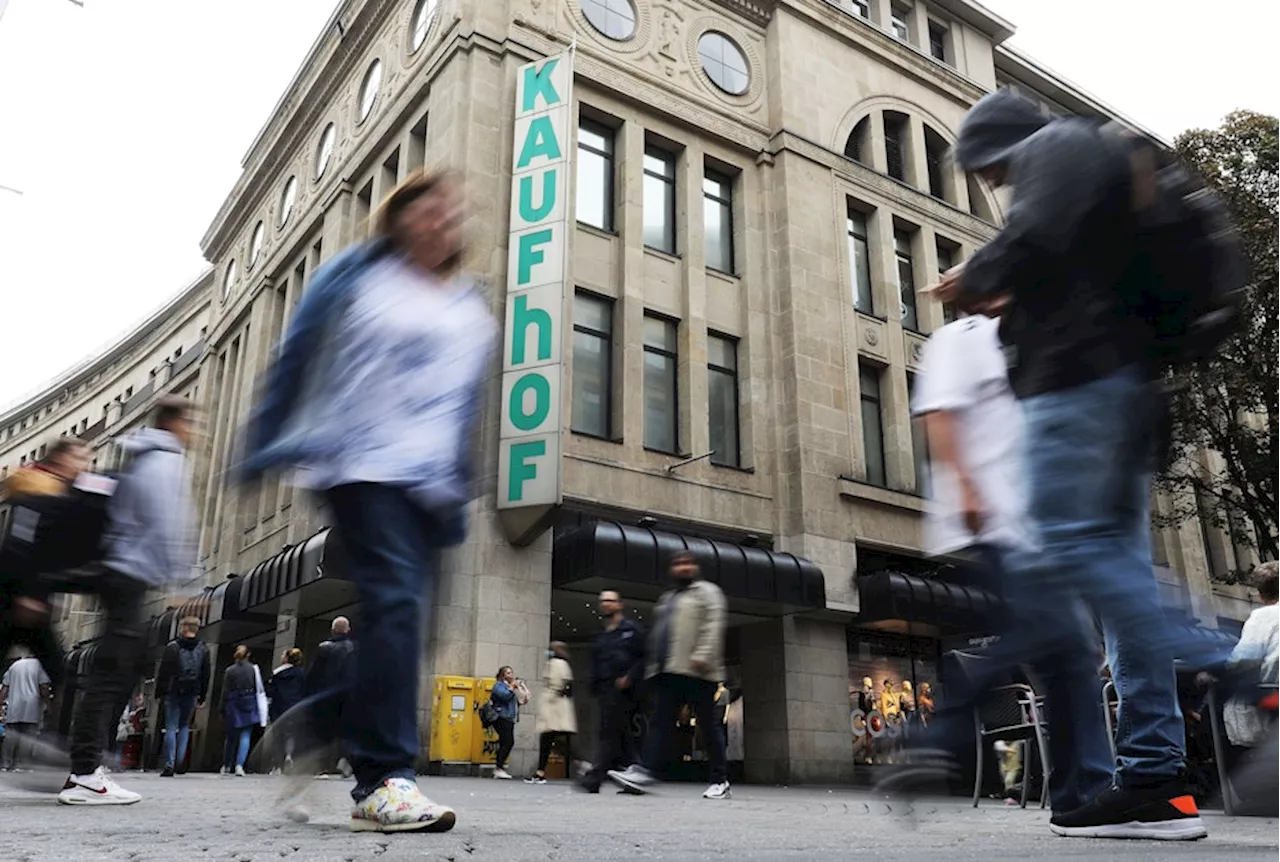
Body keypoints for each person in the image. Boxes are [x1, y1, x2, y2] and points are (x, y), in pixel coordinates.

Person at [940, 89, 1213, 840]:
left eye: (988, 171)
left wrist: (975, 277)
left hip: (1078, 389)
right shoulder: (1098, 164)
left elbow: (1027, 238)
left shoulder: (1053, 146)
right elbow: (1072, 270)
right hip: (1124, 389)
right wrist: (1012, 305)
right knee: (1119, 580)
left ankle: (1234, 662)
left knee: (1075, 552)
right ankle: (1157, 782)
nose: (994, 184)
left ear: (998, 144)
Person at [238, 169, 493, 833]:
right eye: (426, 208)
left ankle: (317, 722)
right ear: (399, 217)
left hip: (428, 488)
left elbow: (461, 406)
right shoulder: (359, 277)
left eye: (450, 210)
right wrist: (264, 440)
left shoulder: (468, 303)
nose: (441, 219)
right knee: (396, 609)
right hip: (359, 465)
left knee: (404, 634)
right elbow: (296, 354)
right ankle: (381, 781)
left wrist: (459, 488)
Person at [887, 279, 1115, 817]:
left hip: (1034, 526)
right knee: (1055, 639)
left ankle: (1077, 798)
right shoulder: (959, 339)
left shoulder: (1016, 342)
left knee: (1068, 659)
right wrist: (965, 487)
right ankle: (934, 742)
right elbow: (938, 415)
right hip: (994, 520)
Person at [57, 397, 198, 806]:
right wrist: (187, 578)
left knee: (119, 668)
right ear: (176, 423)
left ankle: (85, 769)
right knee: (112, 673)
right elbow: (166, 518)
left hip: (120, 571)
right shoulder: (163, 460)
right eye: (192, 422)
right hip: (128, 573)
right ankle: (84, 773)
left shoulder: (143, 455)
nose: (196, 432)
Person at [609, 551, 730, 800]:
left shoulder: (707, 592)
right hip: (671, 670)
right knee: (660, 724)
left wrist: (703, 656)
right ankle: (645, 772)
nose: (682, 568)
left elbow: (713, 625)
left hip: (699, 671)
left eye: (687, 563)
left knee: (708, 726)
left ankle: (720, 780)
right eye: (678, 564)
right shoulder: (669, 597)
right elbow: (660, 635)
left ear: (695, 567)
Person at [0, 438, 93, 692]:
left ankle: (67, 727)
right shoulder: (38, 491)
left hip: (30, 600)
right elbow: (19, 543)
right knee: (59, 671)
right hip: (16, 599)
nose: (84, 465)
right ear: (61, 459)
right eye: (79, 458)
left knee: (58, 669)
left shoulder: (60, 494)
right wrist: (27, 594)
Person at [579, 590, 645, 794]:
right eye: (603, 601)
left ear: (619, 604)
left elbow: (645, 657)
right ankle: (637, 776)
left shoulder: (632, 630)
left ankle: (594, 779)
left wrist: (630, 677)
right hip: (605, 692)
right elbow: (596, 663)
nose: (606, 604)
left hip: (625, 691)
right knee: (619, 736)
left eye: (610, 601)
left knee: (609, 734)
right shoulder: (602, 636)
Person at [154, 615, 210, 777]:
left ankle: (169, 764)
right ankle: (180, 762)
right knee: (185, 725)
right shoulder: (203, 648)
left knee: (171, 727)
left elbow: (164, 672)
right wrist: (202, 695)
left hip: (173, 690)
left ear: (183, 628)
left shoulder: (172, 647)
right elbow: (206, 673)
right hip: (192, 691)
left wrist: (159, 692)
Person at [525, 643, 576, 784]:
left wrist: (553, 696)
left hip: (554, 706)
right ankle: (540, 772)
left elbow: (563, 685)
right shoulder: (562, 664)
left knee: (547, 739)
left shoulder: (556, 664)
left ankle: (541, 772)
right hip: (556, 706)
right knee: (553, 738)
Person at [1, 650, 52, 771]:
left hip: (14, 707)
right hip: (32, 708)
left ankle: (5, 764)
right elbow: (43, 687)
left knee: (11, 737)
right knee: (27, 738)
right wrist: (49, 704)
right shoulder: (40, 666)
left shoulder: (14, 666)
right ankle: (21, 765)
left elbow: (4, 689)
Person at [220, 645, 262, 777]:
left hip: (233, 701)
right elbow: (258, 688)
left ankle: (227, 765)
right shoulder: (253, 669)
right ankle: (240, 765)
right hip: (249, 701)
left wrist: (222, 707)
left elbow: (225, 690)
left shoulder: (230, 670)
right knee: (246, 735)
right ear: (248, 655)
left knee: (231, 736)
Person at [266, 648, 306, 773]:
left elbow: (270, 690)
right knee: (291, 734)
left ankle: (277, 765)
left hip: (278, 707)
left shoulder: (277, 673)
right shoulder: (302, 673)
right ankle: (289, 755)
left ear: (286, 658)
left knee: (278, 736)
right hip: (295, 706)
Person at [489, 666, 527, 780]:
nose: (511, 675)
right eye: (508, 673)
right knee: (508, 741)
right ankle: (499, 767)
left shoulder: (509, 686)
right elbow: (504, 697)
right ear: (503, 675)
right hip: (501, 717)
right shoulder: (498, 686)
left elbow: (515, 701)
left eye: (511, 672)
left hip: (509, 717)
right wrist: (511, 687)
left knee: (504, 742)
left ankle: (499, 767)